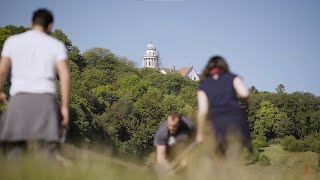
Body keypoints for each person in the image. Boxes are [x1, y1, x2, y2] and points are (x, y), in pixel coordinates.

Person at [0, 9, 71, 159]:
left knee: (13, 151)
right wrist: (64, 107)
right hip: (46, 102)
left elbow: (2, 72)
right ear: (50, 26)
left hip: (18, 101)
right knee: (45, 154)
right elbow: (65, 75)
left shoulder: (12, 41)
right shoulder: (57, 45)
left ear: (30, 23)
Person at [196, 56, 252, 159]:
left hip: (218, 122)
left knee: (220, 157)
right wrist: (247, 103)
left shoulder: (203, 85)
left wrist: (199, 134)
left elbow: (202, 111)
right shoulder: (233, 77)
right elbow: (244, 94)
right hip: (236, 120)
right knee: (233, 153)